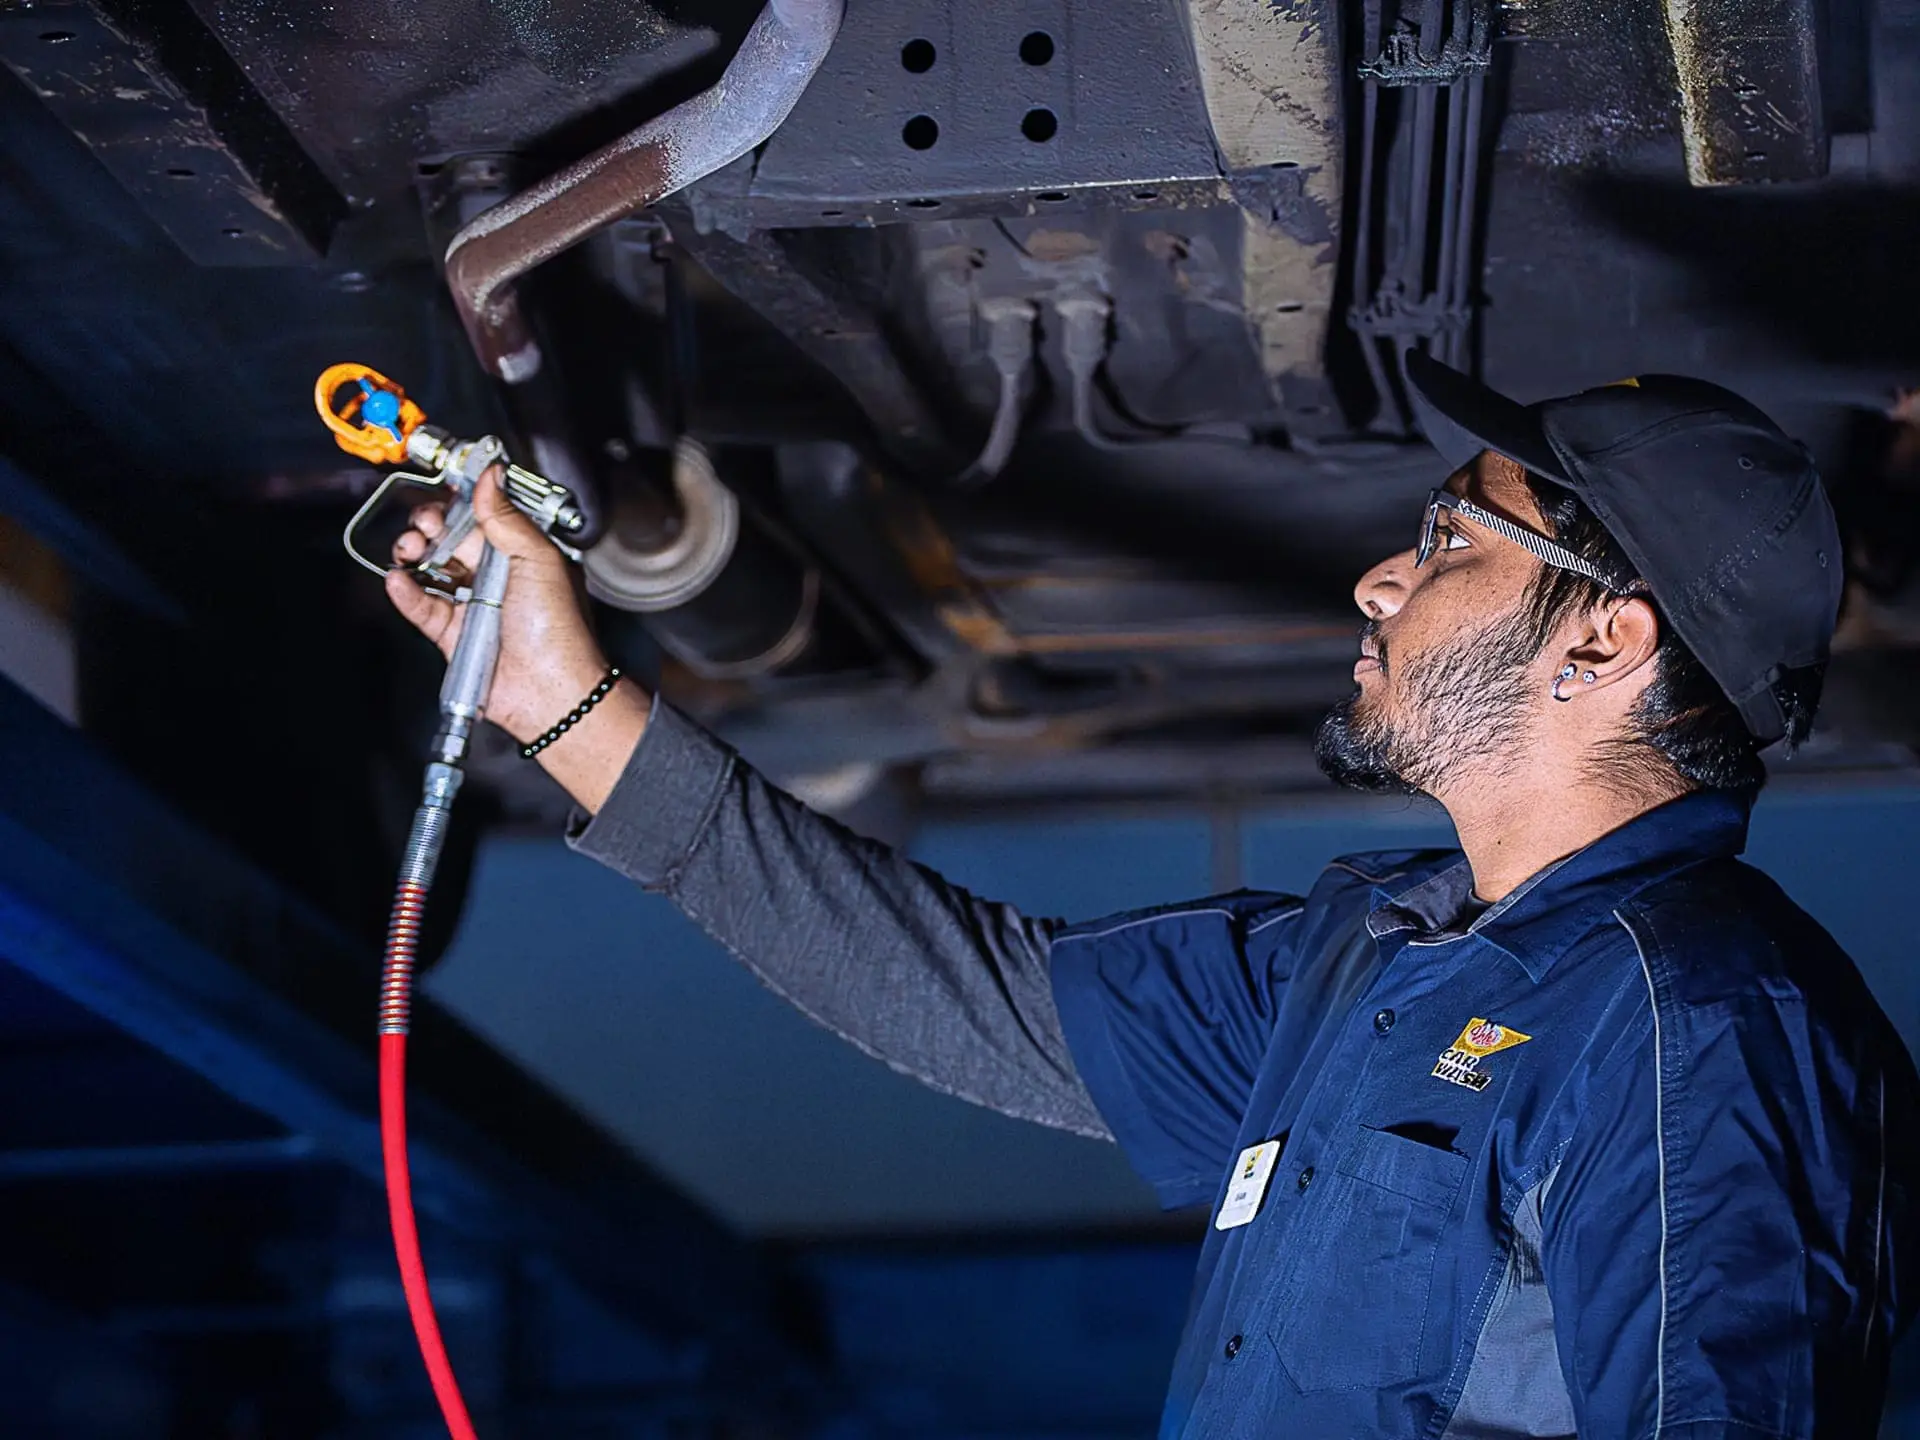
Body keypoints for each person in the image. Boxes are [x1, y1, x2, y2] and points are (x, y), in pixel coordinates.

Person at [386, 353, 1918, 1438]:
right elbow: (965, 1000)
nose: (1385, 578)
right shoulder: (1368, 956)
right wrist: (563, 704)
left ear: (1603, 648)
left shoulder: (1708, 1021)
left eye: (1453, 538)